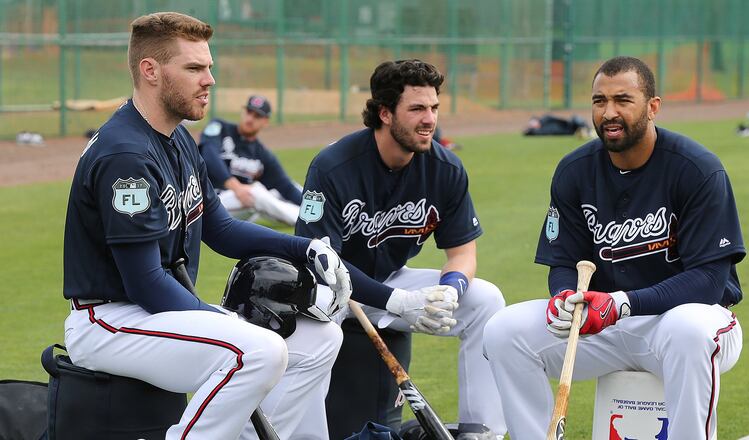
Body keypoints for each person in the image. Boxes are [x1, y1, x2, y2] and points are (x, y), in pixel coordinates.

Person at [62, 12, 352, 439]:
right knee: (258, 349)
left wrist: (304, 249)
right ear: (151, 71)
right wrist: (227, 322)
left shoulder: (177, 136)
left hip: (153, 311)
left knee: (319, 339)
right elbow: (144, 284)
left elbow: (220, 229)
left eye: (209, 67)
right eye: (194, 68)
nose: (209, 80)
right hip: (110, 320)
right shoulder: (126, 155)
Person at [482, 56, 745, 439]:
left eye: (623, 100)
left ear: (653, 107)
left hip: (684, 323)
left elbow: (707, 282)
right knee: (505, 331)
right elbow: (563, 262)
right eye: (599, 101)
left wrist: (624, 303)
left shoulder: (697, 169)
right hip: (605, 323)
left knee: (688, 329)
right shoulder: (574, 171)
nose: (609, 112)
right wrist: (563, 297)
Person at [295, 59, 507, 436]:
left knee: (486, 301)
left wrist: (450, 290)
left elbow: (462, 253)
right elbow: (323, 264)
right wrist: (396, 301)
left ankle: (481, 430)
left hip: (391, 284)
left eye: (434, 108)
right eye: (417, 109)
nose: (430, 119)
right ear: (385, 113)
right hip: (329, 295)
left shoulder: (446, 168)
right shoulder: (333, 166)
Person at [199, 95, 302, 225]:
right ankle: (306, 221)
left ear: (265, 121)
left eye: (257, 116)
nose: (250, 119)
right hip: (208, 202)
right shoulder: (220, 127)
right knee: (255, 191)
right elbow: (209, 155)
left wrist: (306, 204)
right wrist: (236, 187)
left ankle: (316, 213)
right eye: (249, 112)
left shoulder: (262, 154)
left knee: (281, 190)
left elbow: (286, 187)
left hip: (241, 207)